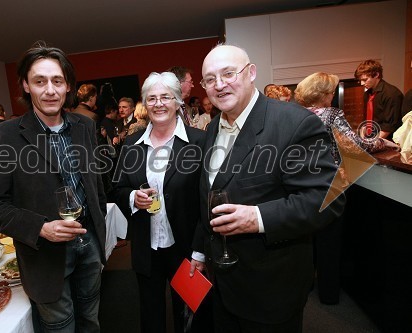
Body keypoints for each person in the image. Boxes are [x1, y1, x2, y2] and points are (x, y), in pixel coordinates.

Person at [189, 45, 345, 332]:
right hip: (222, 287)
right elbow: (208, 195)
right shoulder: (212, 129)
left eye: (228, 73)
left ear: (251, 73)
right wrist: (199, 253)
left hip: (270, 290)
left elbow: (327, 198)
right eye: (210, 79)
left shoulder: (294, 123)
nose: (219, 85)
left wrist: (258, 218)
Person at [0, 41, 107, 333]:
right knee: (60, 326)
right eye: (40, 81)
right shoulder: (5, 136)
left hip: (90, 243)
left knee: (91, 317)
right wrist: (41, 228)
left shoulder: (84, 126)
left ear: (68, 86)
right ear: (26, 85)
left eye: (57, 81)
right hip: (44, 255)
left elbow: (95, 182)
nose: (50, 90)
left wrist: (100, 226)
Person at [113, 71, 208, 333]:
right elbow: (118, 187)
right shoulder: (132, 143)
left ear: (178, 101)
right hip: (146, 245)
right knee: (150, 313)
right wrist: (133, 197)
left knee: (189, 313)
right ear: (145, 104)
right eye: (151, 98)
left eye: (165, 96)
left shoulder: (199, 142)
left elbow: (206, 202)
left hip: (186, 247)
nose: (158, 103)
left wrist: (200, 250)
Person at [294, 72, 398, 305]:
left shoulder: (295, 114)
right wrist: (384, 143)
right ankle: (329, 295)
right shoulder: (331, 114)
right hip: (329, 184)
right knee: (329, 240)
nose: (332, 95)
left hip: (302, 185)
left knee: (308, 240)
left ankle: (306, 286)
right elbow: (355, 145)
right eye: (331, 91)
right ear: (323, 94)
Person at [354, 59, 403, 139]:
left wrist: (373, 143)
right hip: (373, 138)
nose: (362, 83)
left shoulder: (392, 94)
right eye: (360, 80)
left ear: (376, 75)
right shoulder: (367, 94)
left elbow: (389, 126)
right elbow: (366, 120)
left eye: (365, 80)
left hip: (388, 141)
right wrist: (362, 140)